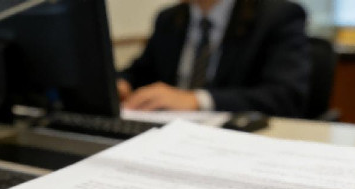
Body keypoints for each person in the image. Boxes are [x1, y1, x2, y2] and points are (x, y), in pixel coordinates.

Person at [118, 0, 311, 118]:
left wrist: (197, 100)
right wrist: (121, 84)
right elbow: (140, 72)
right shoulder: (168, 19)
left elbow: (285, 96)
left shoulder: (277, 16)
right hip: (168, 136)